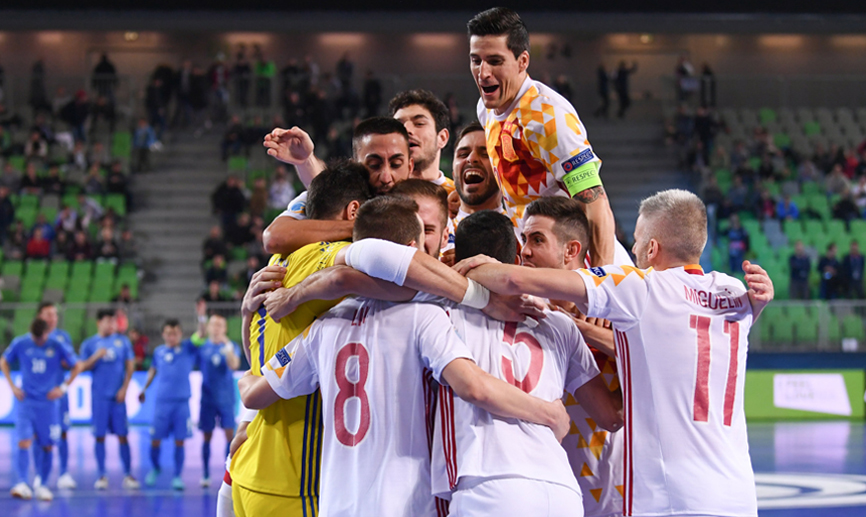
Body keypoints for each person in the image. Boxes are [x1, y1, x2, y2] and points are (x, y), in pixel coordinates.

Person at [446, 189, 772, 517]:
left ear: (653, 248)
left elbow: (514, 279)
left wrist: (472, 266)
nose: (633, 248)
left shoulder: (639, 287)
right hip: (738, 493)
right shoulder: (733, 292)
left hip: (670, 497)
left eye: (639, 239)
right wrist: (758, 304)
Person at [237, 199, 572, 517]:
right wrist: (549, 414)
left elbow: (253, 393)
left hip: (336, 504)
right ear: (412, 250)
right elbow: (474, 386)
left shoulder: (322, 329)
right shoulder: (426, 316)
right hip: (405, 504)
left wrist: (247, 323)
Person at [229, 162, 374, 516]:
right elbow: (369, 272)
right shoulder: (322, 260)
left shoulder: (277, 263)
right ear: (354, 210)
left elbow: (256, 360)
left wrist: (247, 314)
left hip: (251, 468)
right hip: (295, 483)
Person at [466, 8, 618, 267]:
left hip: (573, 262)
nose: (483, 73)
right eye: (476, 60)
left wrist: (601, 284)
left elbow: (596, 207)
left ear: (523, 61)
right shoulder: (487, 108)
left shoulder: (549, 119)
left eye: (495, 61)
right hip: (533, 254)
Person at [261, 117, 412, 254]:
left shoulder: (429, 201)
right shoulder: (333, 196)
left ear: (410, 167)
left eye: (396, 164)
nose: (386, 177)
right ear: (355, 166)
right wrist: (364, 226)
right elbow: (274, 237)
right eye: (374, 165)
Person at [1, 319, 86, 501]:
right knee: (24, 441)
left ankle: (43, 484)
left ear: (48, 333)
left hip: (48, 404)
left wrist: (63, 388)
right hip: (27, 401)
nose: (38, 341)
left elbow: (78, 365)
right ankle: (23, 482)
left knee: (47, 445)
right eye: (35, 338)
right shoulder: (21, 342)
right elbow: (4, 361)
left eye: (41, 338)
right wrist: (12, 386)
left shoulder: (57, 344)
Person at [79, 309, 140, 490]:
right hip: (99, 397)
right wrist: (96, 356)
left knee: (123, 435)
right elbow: (81, 367)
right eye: (107, 321)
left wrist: (125, 388)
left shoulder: (122, 342)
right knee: (99, 436)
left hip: (117, 398)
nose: (111, 324)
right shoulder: (90, 344)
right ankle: (101, 475)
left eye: (113, 321)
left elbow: (130, 365)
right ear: (99, 323)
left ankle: (128, 474)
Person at [138, 319, 202, 490]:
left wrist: (201, 317)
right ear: (163, 335)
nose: (172, 337)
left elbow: (201, 334)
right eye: (168, 334)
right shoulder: (158, 352)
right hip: (162, 403)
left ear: (180, 334)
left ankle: (177, 476)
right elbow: (153, 370)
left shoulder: (188, 348)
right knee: (155, 440)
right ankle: (156, 468)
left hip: (181, 403)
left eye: (175, 333)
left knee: (180, 441)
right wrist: (144, 388)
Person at [29, 303, 79, 491]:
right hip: (38, 398)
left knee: (64, 432)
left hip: (57, 395)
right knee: (37, 435)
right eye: (48, 314)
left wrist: (64, 386)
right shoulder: (30, 339)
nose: (53, 318)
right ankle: (39, 473)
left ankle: (64, 473)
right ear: (39, 316)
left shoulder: (62, 337)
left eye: (55, 314)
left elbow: (73, 364)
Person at [197, 314, 241, 487]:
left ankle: (228, 473)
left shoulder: (231, 346)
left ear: (224, 329)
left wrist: (227, 345)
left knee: (229, 435)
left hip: (226, 398)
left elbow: (235, 364)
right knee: (206, 435)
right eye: (213, 325)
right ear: (208, 328)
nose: (216, 328)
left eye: (219, 325)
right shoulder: (203, 347)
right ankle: (206, 474)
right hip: (207, 399)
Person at [389, 89, 456, 194]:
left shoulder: (460, 199)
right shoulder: (382, 195)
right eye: (399, 126)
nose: (407, 130)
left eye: (419, 123)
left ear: (442, 138)